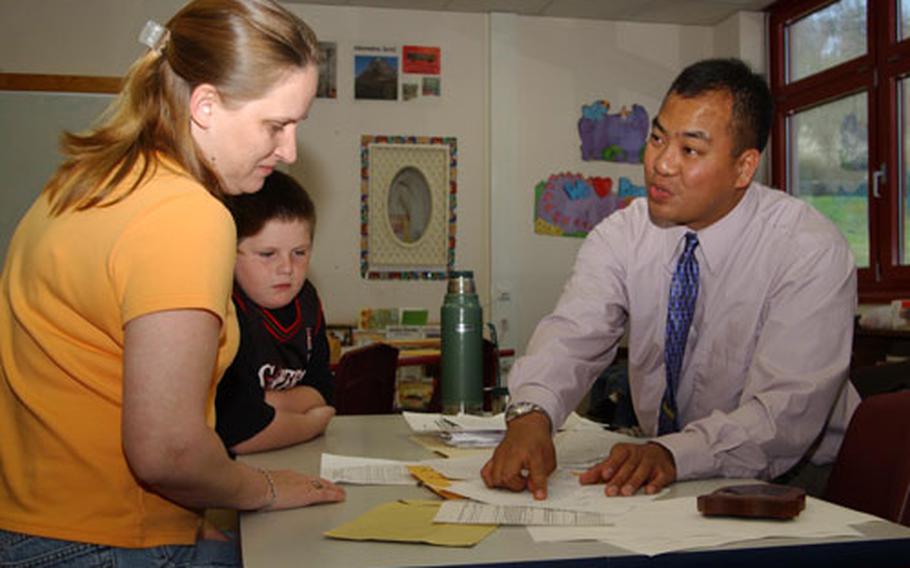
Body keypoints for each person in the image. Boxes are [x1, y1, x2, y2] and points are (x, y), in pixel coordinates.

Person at [0, 1, 345, 565]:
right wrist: (264, 489)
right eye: (276, 125)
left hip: (35, 523)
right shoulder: (185, 214)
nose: (288, 152)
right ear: (205, 105)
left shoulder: (84, 182)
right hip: (104, 538)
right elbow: (167, 450)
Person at [482, 57, 859, 501]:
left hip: (804, 476)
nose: (661, 164)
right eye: (657, 138)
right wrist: (530, 415)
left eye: (690, 150)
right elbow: (573, 334)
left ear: (744, 167)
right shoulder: (623, 234)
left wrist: (674, 453)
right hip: (671, 463)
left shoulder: (807, 249)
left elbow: (783, 414)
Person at [216, 171, 335, 455]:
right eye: (268, 254)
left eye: (299, 252)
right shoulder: (224, 309)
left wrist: (265, 404)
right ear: (228, 253)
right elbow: (237, 433)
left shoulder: (307, 300)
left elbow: (324, 392)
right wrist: (312, 424)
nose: (286, 268)